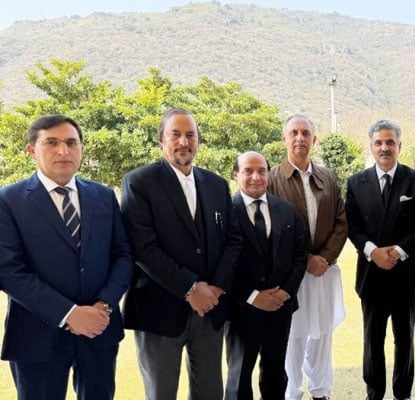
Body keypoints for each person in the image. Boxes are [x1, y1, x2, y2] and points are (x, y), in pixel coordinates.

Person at [0, 115, 133, 400]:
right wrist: (69, 314)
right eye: (52, 143)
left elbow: (123, 256)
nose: (64, 151)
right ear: (32, 150)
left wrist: (103, 306)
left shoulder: (103, 196)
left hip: (100, 330)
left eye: (71, 142)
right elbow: (8, 271)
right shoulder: (8, 200)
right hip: (37, 336)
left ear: (81, 148)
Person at [120, 107, 242, 400]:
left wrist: (214, 288)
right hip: (159, 311)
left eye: (191, 135)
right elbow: (143, 248)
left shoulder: (216, 184)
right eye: (175, 134)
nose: (184, 141)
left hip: (210, 309)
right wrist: (190, 288)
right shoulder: (139, 182)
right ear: (161, 140)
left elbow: (233, 239)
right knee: (161, 393)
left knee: (210, 392)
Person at [267, 114, 347, 400]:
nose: (300, 138)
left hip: (323, 272)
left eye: (306, 133)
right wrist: (305, 260)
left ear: (314, 139)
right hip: (291, 275)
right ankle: (292, 392)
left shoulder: (327, 177)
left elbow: (341, 221)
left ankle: (321, 391)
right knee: (292, 335)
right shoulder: (272, 178)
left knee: (322, 335)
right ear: (284, 138)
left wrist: (323, 258)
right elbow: (271, 229)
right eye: (294, 132)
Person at [345, 119, 415, 400]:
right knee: (373, 339)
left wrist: (398, 252)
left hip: (406, 274)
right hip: (371, 274)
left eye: (390, 142)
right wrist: (372, 252)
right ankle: (374, 392)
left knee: (405, 338)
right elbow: (352, 226)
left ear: (399, 145)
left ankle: (402, 393)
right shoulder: (356, 182)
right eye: (379, 142)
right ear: (371, 146)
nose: (384, 147)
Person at [226, 151, 308, 400]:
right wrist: (252, 296)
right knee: (240, 374)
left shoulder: (287, 210)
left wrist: (285, 292)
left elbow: (300, 254)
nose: (255, 177)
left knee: (275, 370)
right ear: (236, 175)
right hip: (241, 309)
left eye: (261, 171)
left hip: (279, 308)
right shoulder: (225, 211)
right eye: (248, 171)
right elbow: (221, 263)